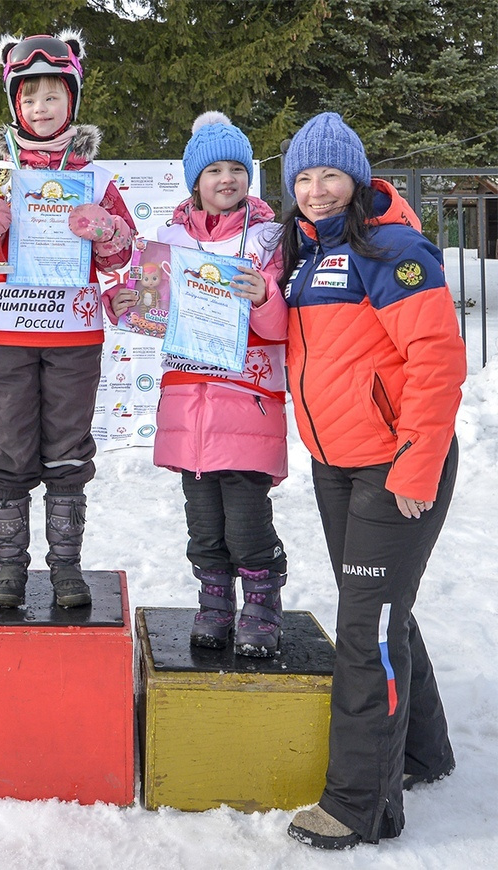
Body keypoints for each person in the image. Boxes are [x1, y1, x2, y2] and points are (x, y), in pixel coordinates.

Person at [276, 113, 466, 850]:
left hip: (396, 464)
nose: (316, 191)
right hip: (338, 463)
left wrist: (416, 465)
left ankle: (361, 805)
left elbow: (438, 362)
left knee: (364, 629)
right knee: (384, 611)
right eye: (303, 178)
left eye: (328, 176)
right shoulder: (305, 251)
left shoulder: (393, 246)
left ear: (355, 177)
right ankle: (421, 752)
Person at [0, 30, 136, 608]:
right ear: (14, 106)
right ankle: (10, 570)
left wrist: (105, 230)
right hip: (7, 328)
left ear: (72, 103)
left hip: (74, 331)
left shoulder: (95, 179)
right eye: (28, 99)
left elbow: (123, 255)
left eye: (52, 97)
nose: (40, 109)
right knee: (7, 445)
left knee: (68, 445)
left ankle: (66, 567)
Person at [105, 112, 289, 656]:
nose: (227, 179)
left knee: (248, 524)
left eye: (237, 167)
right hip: (188, 407)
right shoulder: (169, 240)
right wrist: (125, 304)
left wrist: (262, 296)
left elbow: (280, 330)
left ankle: (260, 605)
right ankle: (215, 604)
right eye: (214, 170)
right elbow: (150, 316)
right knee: (204, 524)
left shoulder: (268, 239)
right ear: (195, 181)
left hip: (247, 403)